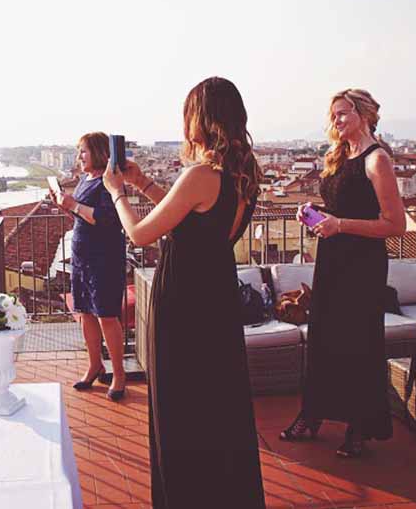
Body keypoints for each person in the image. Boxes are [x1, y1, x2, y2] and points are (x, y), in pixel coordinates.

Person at [102, 77, 265, 509]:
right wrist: (140, 184)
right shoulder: (243, 173)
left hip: (185, 301)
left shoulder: (199, 174)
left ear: (200, 119)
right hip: (217, 294)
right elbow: (193, 225)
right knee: (216, 405)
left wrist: (117, 193)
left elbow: (139, 234)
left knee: (180, 409)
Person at [282, 88, 405, 458]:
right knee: (323, 339)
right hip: (333, 258)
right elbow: (342, 208)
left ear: (364, 114)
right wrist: (316, 213)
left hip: (362, 265)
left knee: (358, 344)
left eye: (342, 114)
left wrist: (340, 225)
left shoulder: (377, 159)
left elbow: (394, 224)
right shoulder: (338, 156)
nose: (335, 121)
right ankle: (314, 414)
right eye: (332, 114)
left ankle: (359, 428)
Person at [54, 132, 127, 401]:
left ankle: (119, 374)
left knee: (107, 315)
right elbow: (82, 215)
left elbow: (106, 218)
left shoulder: (110, 182)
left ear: (96, 152)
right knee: (84, 311)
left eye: (82, 151)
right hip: (82, 256)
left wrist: (73, 204)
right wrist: (65, 206)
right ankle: (95, 365)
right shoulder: (86, 179)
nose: (79, 157)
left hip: (104, 257)